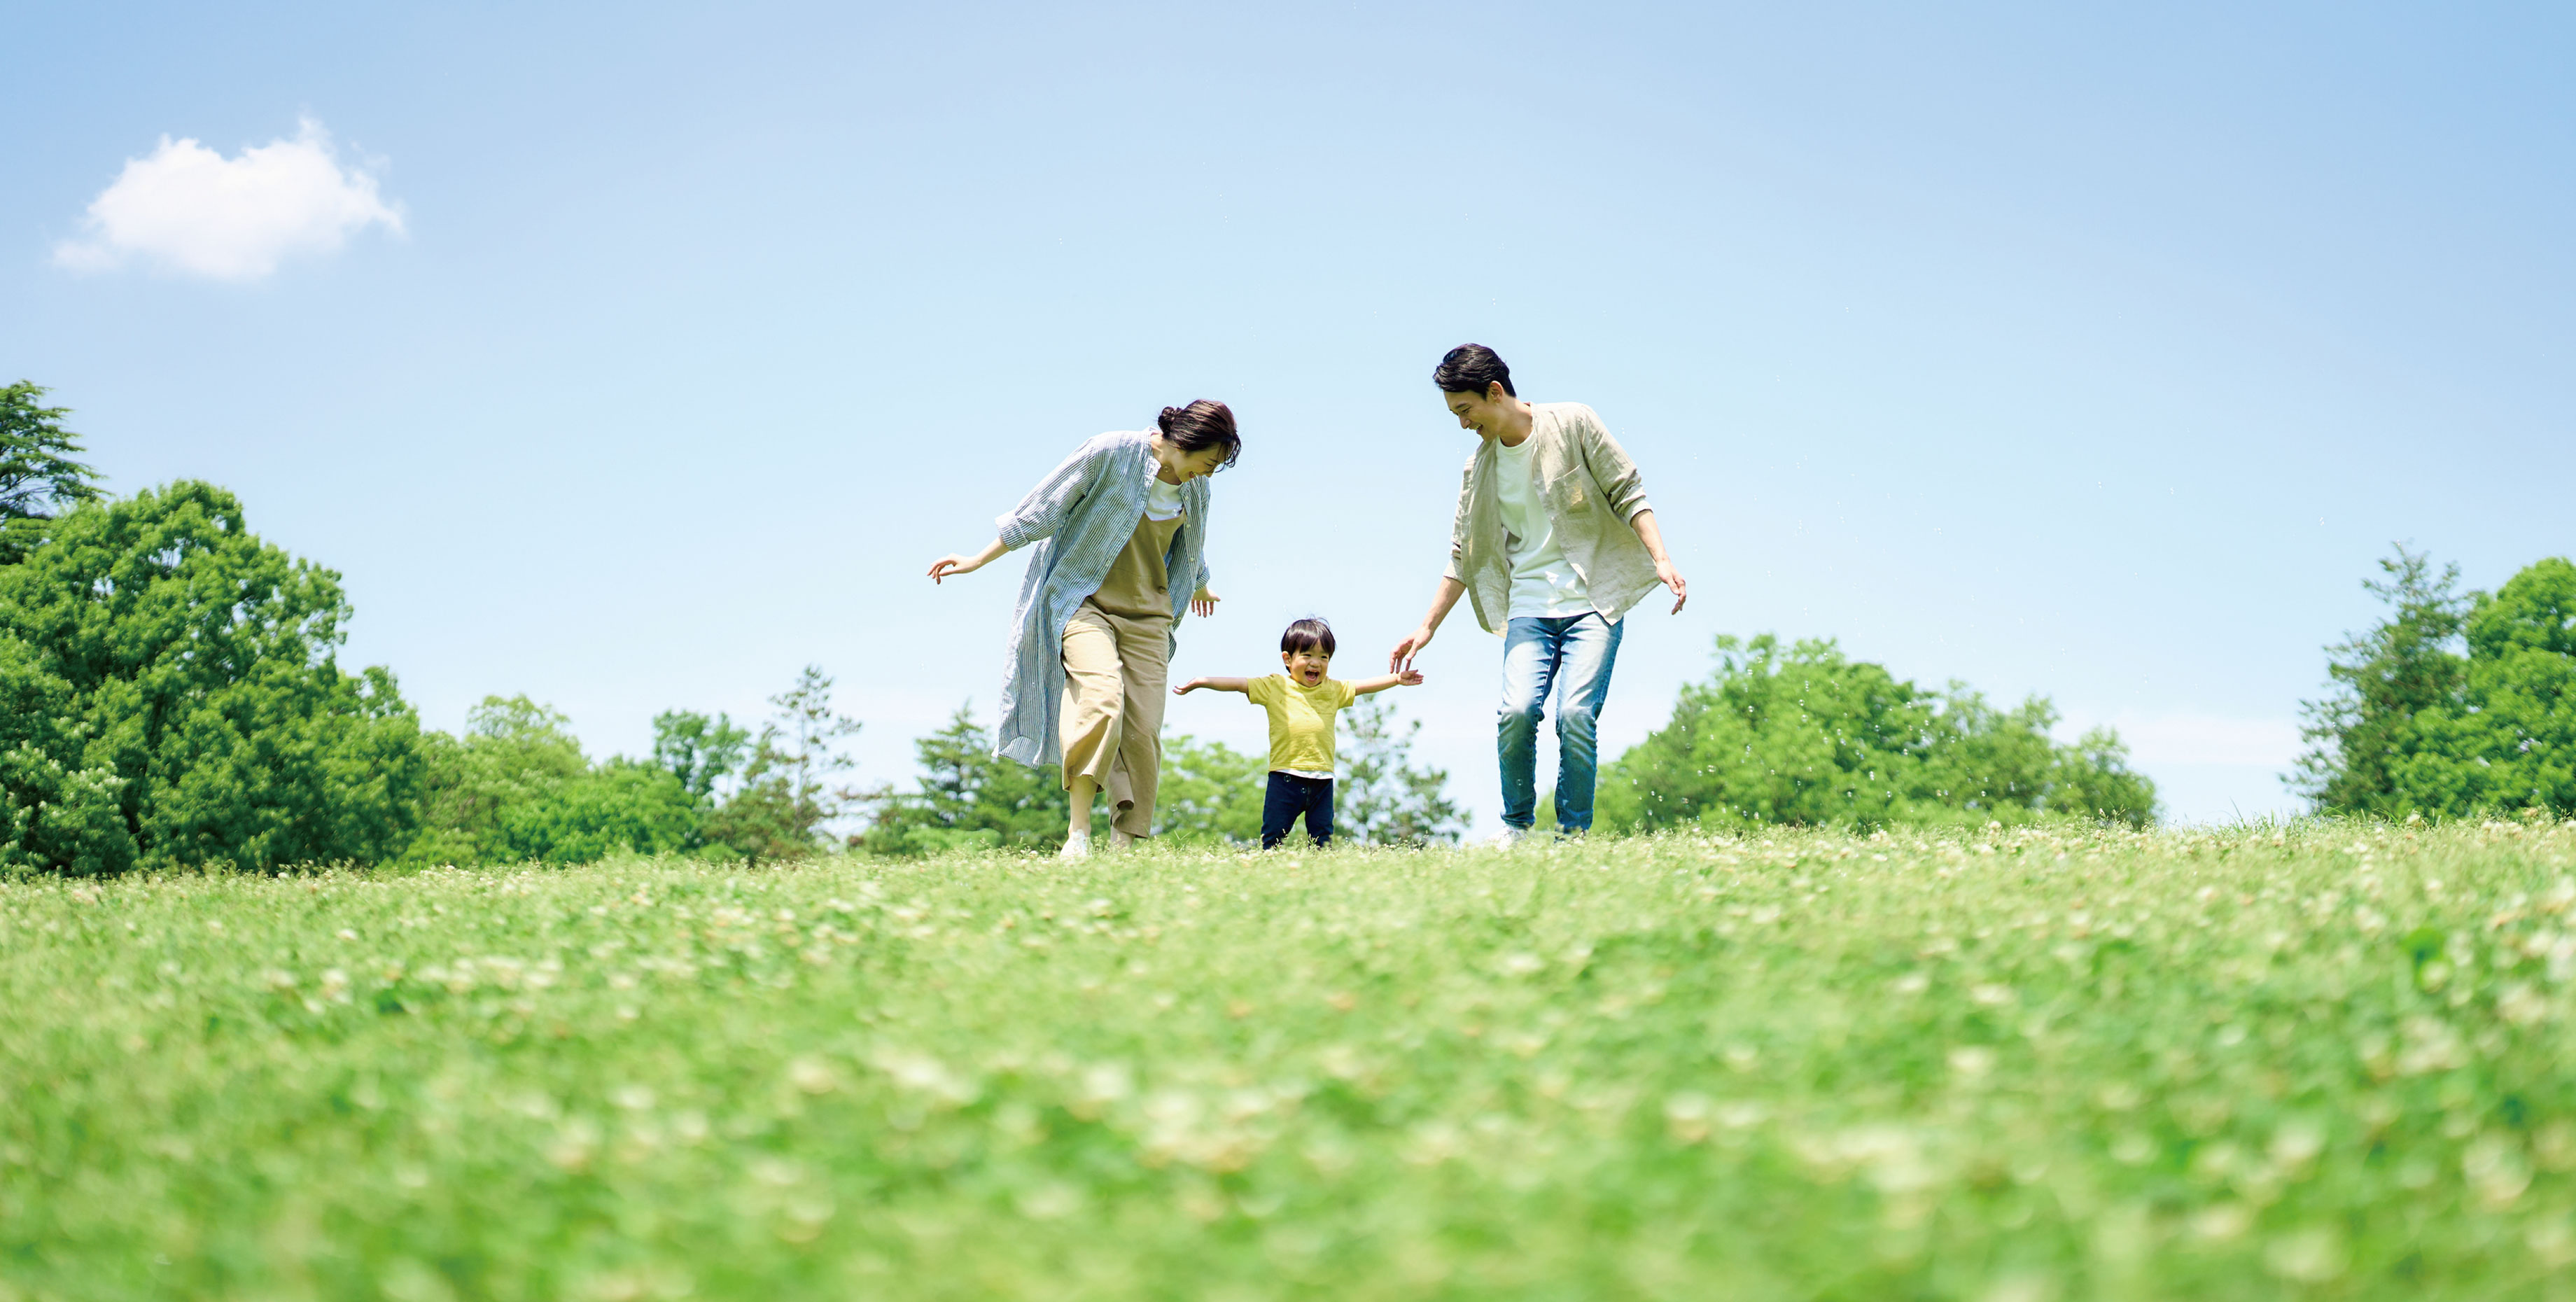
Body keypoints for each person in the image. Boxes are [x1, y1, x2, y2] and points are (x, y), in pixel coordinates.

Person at [1388, 345, 1686, 839]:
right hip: (1528, 607)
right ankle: (1517, 827)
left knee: (1575, 715)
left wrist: (1661, 558)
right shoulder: (1478, 469)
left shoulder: (1573, 423)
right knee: (1517, 712)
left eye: (1465, 410)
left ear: (1495, 392)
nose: (1462, 423)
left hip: (1593, 601)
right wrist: (1426, 627)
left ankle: (1573, 835)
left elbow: (1628, 491)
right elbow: (1463, 554)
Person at [929, 401, 1238, 858]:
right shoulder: (1109, 452)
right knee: (1101, 698)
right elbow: (1042, 509)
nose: (1208, 474)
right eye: (1208, 462)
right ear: (1185, 441)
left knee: (1143, 730)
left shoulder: (1196, 489)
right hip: (1084, 603)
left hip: (1149, 615)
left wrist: (1202, 585)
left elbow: (1193, 546)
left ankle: (1124, 847)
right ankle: (1078, 834)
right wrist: (978, 559)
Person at [1176, 617, 1422, 848]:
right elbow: (1238, 684)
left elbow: (1363, 686)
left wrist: (1396, 679)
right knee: (1272, 837)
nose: (1316, 663)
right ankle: (1268, 868)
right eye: (1307, 655)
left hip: (1322, 780)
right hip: (1285, 778)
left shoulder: (1333, 689)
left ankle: (1321, 872)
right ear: (1287, 659)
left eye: (1324, 657)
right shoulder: (1275, 686)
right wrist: (1202, 681)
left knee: (1322, 840)